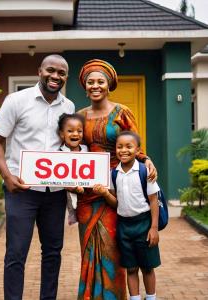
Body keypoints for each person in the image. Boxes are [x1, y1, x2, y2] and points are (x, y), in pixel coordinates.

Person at [0, 54, 75, 300]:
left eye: (61, 73)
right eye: (51, 70)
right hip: (21, 191)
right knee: (16, 253)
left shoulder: (68, 107)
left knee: (52, 253)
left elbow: (70, 145)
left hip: (55, 193)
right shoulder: (16, 100)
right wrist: (6, 176)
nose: (55, 76)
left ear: (65, 77)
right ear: (40, 71)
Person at [76, 58, 157, 299]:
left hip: (114, 191)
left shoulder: (122, 112)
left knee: (113, 248)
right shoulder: (79, 116)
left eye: (101, 81)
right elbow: (72, 150)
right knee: (88, 248)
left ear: (109, 84)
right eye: (90, 82)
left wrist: (146, 159)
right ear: (85, 86)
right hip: (89, 192)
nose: (95, 86)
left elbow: (133, 145)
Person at [94, 131, 161, 300]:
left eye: (129, 146)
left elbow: (153, 201)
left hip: (144, 224)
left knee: (147, 267)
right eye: (119, 147)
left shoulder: (145, 172)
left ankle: (151, 297)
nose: (124, 150)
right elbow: (116, 203)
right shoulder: (113, 174)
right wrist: (104, 194)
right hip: (124, 226)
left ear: (138, 150)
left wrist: (154, 228)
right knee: (130, 268)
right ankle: (135, 298)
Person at [57, 113, 87, 225]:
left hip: (85, 193)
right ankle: (72, 214)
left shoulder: (86, 150)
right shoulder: (59, 153)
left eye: (79, 131)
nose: (75, 134)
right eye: (70, 131)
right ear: (62, 134)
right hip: (67, 192)